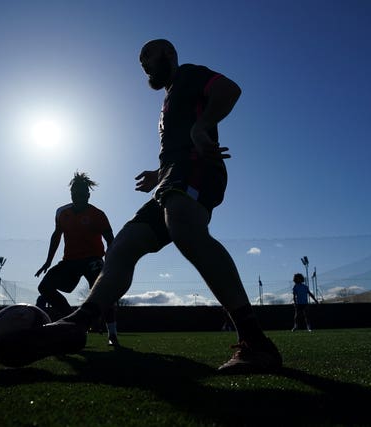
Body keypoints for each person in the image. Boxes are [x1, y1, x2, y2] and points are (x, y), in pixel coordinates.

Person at [24, 39, 282, 374]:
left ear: (170, 55)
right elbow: (177, 147)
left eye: (149, 56)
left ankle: (255, 341)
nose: (143, 64)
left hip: (199, 169)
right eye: (140, 61)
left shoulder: (189, 75)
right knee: (124, 245)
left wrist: (203, 127)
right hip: (171, 179)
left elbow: (230, 90)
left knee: (185, 229)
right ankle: (79, 322)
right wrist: (159, 172)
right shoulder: (168, 101)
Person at [34, 171, 120, 346]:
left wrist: (112, 263)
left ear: (88, 195)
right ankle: (73, 323)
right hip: (70, 261)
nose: (78, 197)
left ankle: (112, 334)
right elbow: (56, 235)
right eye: (75, 193)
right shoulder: (62, 212)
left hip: (93, 260)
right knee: (44, 287)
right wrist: (48, 261)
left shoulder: (98, 214)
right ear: (71, 194)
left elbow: (111, 241)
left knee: (105, 292)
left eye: (82, 194)